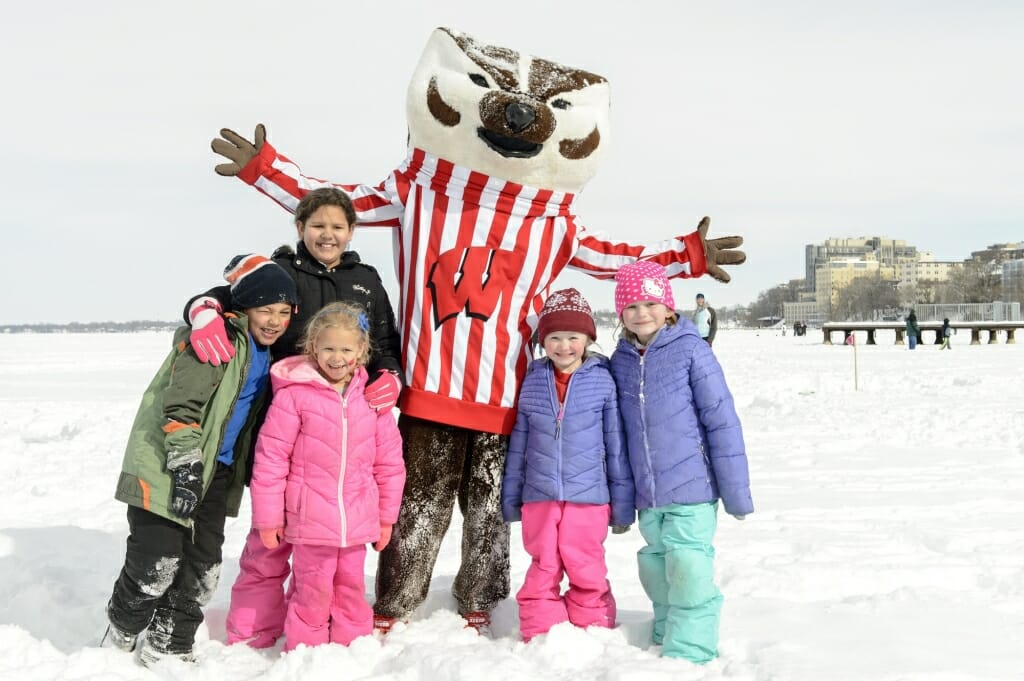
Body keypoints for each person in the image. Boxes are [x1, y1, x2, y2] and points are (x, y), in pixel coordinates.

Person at [184, 187, 404, 648]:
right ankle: (253, 631)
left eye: (338, 226)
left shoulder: (365, 279)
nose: (328, 234)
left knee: (327, 548)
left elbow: (385, 342)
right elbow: (221, 295)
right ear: (300, 227)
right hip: (282, 412)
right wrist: (202, 312)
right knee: (273, 537)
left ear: (351, 231)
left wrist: (391, 376)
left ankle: (330, 632)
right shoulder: (280, 270)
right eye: (318, 225)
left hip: (342, 418)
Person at [103, 255, 298, 665]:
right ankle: (123, 625)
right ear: (243, 307)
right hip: (167, 466)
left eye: (284, 311)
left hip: (218, 472)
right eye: (265, 309)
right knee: (156, 560)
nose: (275, 320)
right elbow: (180, 408)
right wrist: (187, 462)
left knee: (203, 566)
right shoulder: (217, 339)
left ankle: (171, 641)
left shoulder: (270, 353)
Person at [608, 261, 753, 664]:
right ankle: (666, 628)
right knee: (656, 568)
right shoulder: (619, 361)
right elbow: (617, 439)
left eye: (650, 302)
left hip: (693, 486)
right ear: (621, 313)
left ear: (668, 308)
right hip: (648, 494)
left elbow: (721, 419)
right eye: (632, 305)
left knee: (688, 567)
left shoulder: (691, 349)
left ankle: (690, 652)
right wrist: (621, 503)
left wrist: (736, 492)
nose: (641, 313)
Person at [249, 302, 406, 650]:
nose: (337, 357)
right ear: (312, 348)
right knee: (313, 589)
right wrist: (269, 518)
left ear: (362, 351)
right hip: (309, 521)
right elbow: (271, 460)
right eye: (328, 348)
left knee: (350, 586)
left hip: (356, 520)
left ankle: (353, 648)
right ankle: (307, 651)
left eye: (346, 349)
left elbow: (390, 465)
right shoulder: (293, 398)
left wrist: (385, 519)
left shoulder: (372, 400)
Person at [501, 289, 634, 642]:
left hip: (588, 496)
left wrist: (621, 505)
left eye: (573, 337)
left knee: (585, 562)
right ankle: (540, 627)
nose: (564, 346)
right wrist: (513, 496)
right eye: (554, 338)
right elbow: (519, 446)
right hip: (540, 495)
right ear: (543, 341)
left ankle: (592, 627)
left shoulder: (602, 381)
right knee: (544, 563)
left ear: (588, 338)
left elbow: (615, 446)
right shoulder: (532, 381)